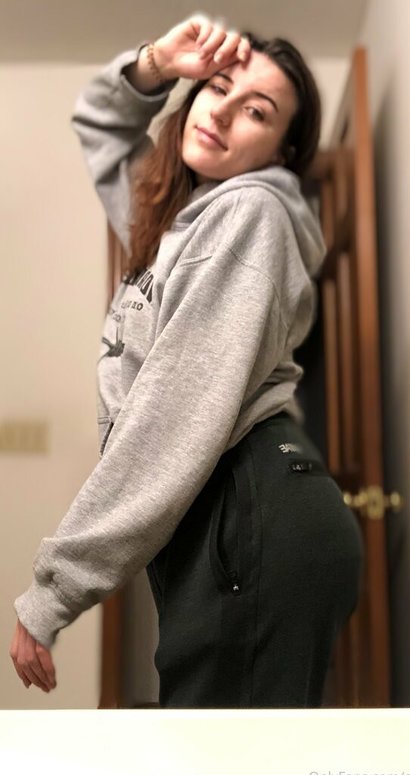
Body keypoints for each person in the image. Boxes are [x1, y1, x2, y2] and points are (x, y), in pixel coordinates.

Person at [10, 15, 363, 708]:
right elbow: (101, 125)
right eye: (218, 88)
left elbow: (172, 414)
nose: (223, 113)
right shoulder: (178, 214)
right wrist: (157, 62)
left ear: (283, 150)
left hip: (249, 504)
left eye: (256, 111)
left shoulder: (248, 215)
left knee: (224, 756)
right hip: (232, 512)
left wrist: (55, 587)